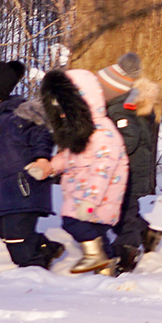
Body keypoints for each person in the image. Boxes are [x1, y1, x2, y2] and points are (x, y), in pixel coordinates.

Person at [0, 60, 62, 269]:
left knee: (16, 236)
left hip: (25, 186)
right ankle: (46, 247)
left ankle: (34, 269)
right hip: (7, 190)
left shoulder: (18, 116)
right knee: (3, 230)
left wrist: (42, 158)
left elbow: (41, 135)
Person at [39, 69, 129, 275]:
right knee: (96, 233)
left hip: (99, 196)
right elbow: (69, 155)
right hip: (80, 192)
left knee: (74, 223)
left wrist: (91, 200)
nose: (62, 114)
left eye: (65, 109)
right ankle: (107, 269)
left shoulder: (103, 133)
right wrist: (50, 167)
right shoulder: (81, 130)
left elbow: (103, 169)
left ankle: (94, 256)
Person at [96, 55, 162, 274]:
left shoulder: (119, 109)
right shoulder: (126, 104)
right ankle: (147, 235)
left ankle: (127, 253)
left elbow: (129, 139)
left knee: (124, 213)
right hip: (129, 170)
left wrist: (105, 150)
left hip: (128, 172)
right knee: (125, 210)